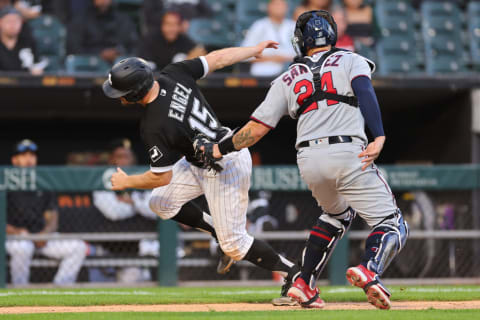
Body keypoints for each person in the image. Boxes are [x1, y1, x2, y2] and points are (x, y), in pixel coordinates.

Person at [195, 10, 408, 309]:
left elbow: (255, 130)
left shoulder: (287, 76)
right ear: (332, 35)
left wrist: (219, 149)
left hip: (308, 158)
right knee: (392, 223)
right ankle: (369, 269)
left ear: (300, 41)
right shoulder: (351, 59)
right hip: (348, 152)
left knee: (336, 215)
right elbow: (365, 91)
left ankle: (303, 283)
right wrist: (380, 135)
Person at [101, 43, 299, 299]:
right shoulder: (172, 73)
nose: (121, 98)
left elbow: (161, 176)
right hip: (199, 158)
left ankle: (294, 274)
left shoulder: (153, 126)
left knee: (235, 245)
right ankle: (219, 232)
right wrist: (252, 50)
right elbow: (217, 59)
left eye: (122, 93)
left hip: (223, 163)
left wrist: (127, 181)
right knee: (161, 202)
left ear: (135, 93)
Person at [6, 139, 87, 285]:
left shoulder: (43, 184)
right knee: (23, 248)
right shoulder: (5, 183)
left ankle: (60, 288)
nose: (29, 159)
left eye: (32, 155)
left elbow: (52, 218)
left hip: (40, 236)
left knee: (78, 247)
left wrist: (45, 233)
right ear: (14, 160)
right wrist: (16, 232)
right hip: (15, 237)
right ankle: (20, 291)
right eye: (23, 155)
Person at [67, 0, 138, 63]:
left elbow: (132, 46)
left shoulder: (123, 20)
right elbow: (74, 48)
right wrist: (99, 54)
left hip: (119, 67)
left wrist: (118, 52)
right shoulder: (80, 20)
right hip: (88, 68)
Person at [241, 0, 296, 77]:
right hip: (262, 72)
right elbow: (246, 54)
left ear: (287, 8)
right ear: (269, 7)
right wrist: (272, 58)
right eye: (276, 5)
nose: (279, 7)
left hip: (290, 72)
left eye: (282, 5)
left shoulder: (293, 26)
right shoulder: (259, 25)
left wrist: (282, 58)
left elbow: (301, 53)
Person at [139, 11, 206, 71]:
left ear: (180, 27)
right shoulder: (150, 39)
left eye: (175, 25)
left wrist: (189, 59)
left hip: (176, 79)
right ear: (162, 26)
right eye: (168, 24)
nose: (171, 29)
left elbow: (199, 51)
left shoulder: (183, 39)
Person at [0, 6, 44, 74]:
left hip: (25, 83)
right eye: (8, 21)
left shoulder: (28, 42)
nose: (12, 25)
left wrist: (36, 70)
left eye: (16, 21)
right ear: (1, 22)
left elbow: (37, 66)